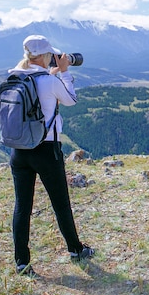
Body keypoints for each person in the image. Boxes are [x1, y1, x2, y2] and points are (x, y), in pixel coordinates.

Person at [7, 34, 94, 276]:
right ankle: (75, 249)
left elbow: (37, 90)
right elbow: (71, 99)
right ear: (46, 56)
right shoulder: (49, 81)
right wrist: (64, 72)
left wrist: (52, 74)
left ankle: (22, 263)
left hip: (19, 151)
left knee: (22, 206)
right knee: (60, 203)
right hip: (45, 150)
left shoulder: (15, 76)